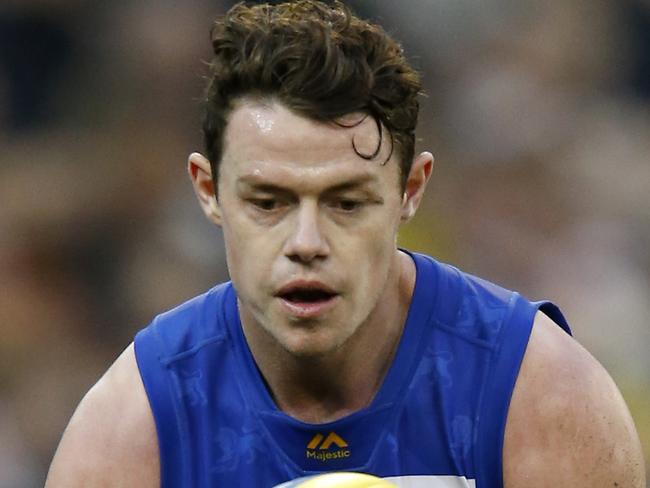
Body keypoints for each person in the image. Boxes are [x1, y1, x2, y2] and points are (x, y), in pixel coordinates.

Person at [45, 1, 645, 487]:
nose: (306, 243)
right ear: (208, 190)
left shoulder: (541, 398)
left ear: (411, 190)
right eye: (268, 202)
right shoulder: (130, 432)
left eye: (347, 203)